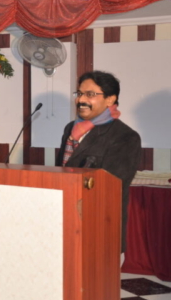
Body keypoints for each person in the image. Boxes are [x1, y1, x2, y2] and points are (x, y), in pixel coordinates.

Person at [56, 71, 141, 253]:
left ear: (110, 99)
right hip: (65, 222)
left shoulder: (125, 137)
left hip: (100, 228)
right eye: (79, 94)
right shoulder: (70, 129)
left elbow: (111, 187)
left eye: (90, 94)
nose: (81, 100)